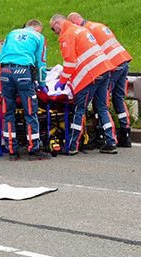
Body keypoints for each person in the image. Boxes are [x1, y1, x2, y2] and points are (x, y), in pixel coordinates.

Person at [50, 14, 117, 155]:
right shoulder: (80, 29)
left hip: (90, 76)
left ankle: (73, 145)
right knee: (102, 108)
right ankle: (111, 142)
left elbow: (70, 63)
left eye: (53, 29)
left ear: (58, 23)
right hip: (104, 69)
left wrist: (62, 82)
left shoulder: (67, 35)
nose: (55, 33)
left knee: (79, 109)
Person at [67, 12, 134, 147]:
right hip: (123, 60)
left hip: (112, 66)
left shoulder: (85, 31)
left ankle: (102, 136)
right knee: (118, 98)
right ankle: (126, 134)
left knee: (102, 102)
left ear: (74, 23)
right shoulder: (97, 25)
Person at [0, 20, 51, 161]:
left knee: (8, 113)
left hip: (5, 71)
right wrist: (42, 83)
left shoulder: (11, 33)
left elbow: (1, 55)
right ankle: (33, 150)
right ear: (38, 29)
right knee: (30, 113)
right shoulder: (39, 37)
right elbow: (41, 63)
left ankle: (12, 151)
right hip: (23, 72)